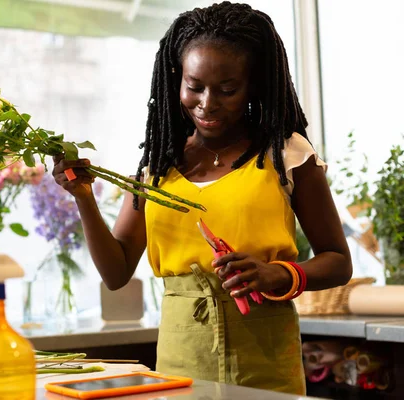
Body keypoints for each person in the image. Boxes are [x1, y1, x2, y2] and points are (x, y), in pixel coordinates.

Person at [52, 1, 352, 395]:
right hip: (181, 357)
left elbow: (338, 261)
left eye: (227, 90)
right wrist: (84, 198)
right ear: (177, 79)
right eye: (195, 87)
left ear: (252, 85)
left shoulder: (286, 154)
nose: (207, 103)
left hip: (265, 355)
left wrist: (278, 274)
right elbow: (116, 272)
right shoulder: (157, 165)